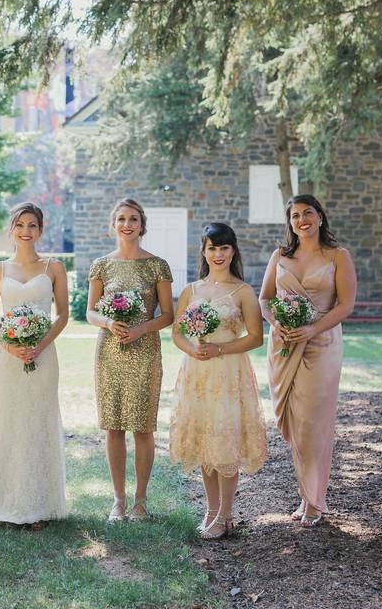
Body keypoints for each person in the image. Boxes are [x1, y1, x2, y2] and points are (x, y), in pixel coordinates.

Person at [259, 194, 356, 527]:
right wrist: (278, 324)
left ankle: (315, 500)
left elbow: (345, 305)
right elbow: (265, 299)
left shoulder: (338, 256)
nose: (302, 220)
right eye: (295, 215)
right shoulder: (280, 255)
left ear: (320, 216)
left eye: (308, 213)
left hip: (322, 345)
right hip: (285, 346)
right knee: (297, 424)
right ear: (290, 222)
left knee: (314, 423)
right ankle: (306, 495)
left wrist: (312, 328)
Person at [169, 223, 268, 539]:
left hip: (228, 372)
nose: (218, 254)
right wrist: (194, 350)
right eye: (212, 247)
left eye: (224, 247)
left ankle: (226, 515)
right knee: (205, 441)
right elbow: (177, 333)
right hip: (197, 373)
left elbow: (255, 337)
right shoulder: (191, 291)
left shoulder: (242, 292)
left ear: (233, 250)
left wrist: (220, 348)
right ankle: (211, 511)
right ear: (204, 251)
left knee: (224, 441)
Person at [0, 202, 68, 526]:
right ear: (12, 229)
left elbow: (62, 315)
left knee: (38, 423)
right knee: (10, 422)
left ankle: (38, 506)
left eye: (32, 225)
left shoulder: (53, 268)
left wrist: (40, 344)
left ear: (41, 230)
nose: (26, 231)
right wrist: (8, 343)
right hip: (8, 358)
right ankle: (5, 501)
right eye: (20, 225)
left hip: (44, 357)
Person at [86, 198, 174, 522]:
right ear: (113, 224)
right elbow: (90, 311)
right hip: (109, 350)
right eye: (121, 219)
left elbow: (168, 315)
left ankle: (140, 501)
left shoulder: (157, 266)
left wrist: (140, 330)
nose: (127, 224)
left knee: (142, 427)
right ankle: (118, 501)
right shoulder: (101, 265)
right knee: (113, 426)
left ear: (142, 225)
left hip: (145, 349)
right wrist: (109, 323)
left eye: (133, 219)